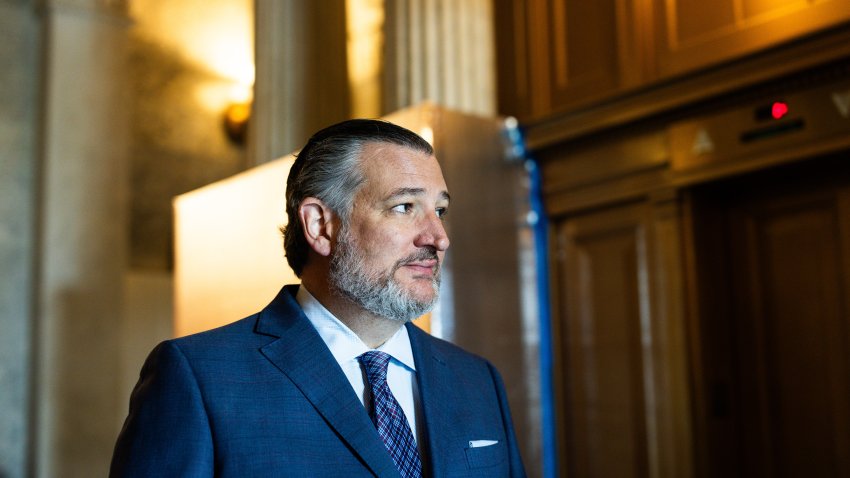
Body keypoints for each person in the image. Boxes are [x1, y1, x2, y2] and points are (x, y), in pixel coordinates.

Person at [110, 119, 527, 477]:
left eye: (439, 210)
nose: (438, 238)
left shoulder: (477, 380)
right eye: (404, 207)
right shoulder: (198, 379)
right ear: (320, 225)